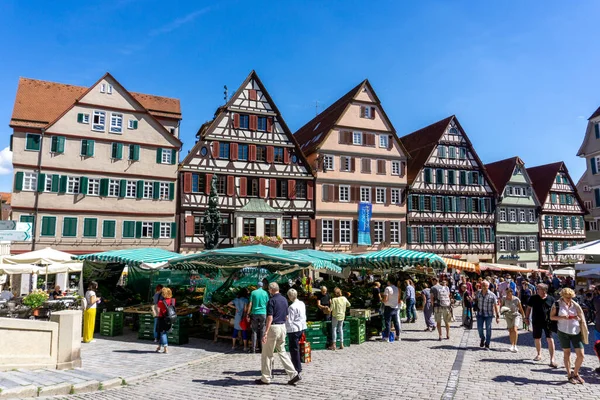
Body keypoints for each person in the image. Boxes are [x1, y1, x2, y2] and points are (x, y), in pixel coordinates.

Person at [255, 283, 300, 386]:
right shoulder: (284, 300)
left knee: (267, 354)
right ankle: (293, 374)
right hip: (282, 327)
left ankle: (265, 378)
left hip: (273, 328)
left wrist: (265, 332)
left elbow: (270, 317)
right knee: (282, 351)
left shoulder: (271, 301)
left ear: (271, 290)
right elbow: (286, 316)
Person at [550, 288, 587, 384]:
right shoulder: (557, 304)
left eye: (570, 297)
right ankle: (569, 375)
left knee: (581, 355)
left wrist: (577, 318)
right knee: (567, 353)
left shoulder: (576, 305)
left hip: (576, 331)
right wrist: (562, 317)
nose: (569, 299)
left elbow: (581, 317)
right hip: (563, 331)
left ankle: (576, 373)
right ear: (562, 296)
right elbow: (551, 317)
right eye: (567, 297)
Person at [526, 283, 557, 367]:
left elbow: (555, 310)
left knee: (550, 339)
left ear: (544, 290)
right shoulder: (533, 298)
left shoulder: (551, 299)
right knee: (537, 338)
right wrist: (526, 318)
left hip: (548, 322)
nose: (537, 289)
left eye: (538, 288)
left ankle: (552, 359)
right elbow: (528, 308)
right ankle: (539, 354)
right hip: (536, 321)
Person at [286, 288, 307, 377]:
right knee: (297, 348)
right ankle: (298, 365)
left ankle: (297, 367)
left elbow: (290, 320)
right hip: (301, 327)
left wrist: (285, 322)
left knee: (294, 349)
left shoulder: (291, 307)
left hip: (294, 329)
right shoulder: (302, 303)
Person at [475, 280, 500, 350]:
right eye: (482, 285)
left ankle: (487, 343)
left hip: (489, 315)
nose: (483, 287)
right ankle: (482, 338)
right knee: (479, 328)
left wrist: (497, 316)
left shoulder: (492, 295)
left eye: (485, 286)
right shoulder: (478, 293)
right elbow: (475, 300)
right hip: (480, 314)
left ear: (488, 286)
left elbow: (495, 305)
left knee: (488, 329)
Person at [246, 281, 269, 353]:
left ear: (257, 286)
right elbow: (267, 304)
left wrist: (248, 313)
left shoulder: (253, 293)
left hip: (254, 313)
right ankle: (262, 348)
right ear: (262, 286)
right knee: (262, 330)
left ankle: (253, 349)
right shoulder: (265, 293)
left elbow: (250, 304)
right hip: (263, 313)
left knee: (254, 331)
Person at [501, 288, 526, 352]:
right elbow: (501, 306)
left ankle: (515, 345)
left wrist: (524, 317)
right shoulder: (504, 298)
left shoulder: (516, 299)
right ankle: (512, 345)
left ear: (511, 292)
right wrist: (503, 311)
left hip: (515, 315)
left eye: (508, 293)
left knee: (514, 329)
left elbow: (520, 309)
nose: (507, 294)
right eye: (506, 293)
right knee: (510, 330)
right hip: (508, 316)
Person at [431, 277, 452, 341]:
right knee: (447, 321)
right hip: (445, 306)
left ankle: (440, 336)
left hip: (437, 306)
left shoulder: (433, 288)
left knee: (438, 322)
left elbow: (432, 298)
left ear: (434, 281)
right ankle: (448, 334)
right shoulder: (444, 287)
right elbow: (448, 296)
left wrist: (433, 306)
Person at [155, 287, 175, 354]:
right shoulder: (173, 300)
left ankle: (166, 348)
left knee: (162, 332)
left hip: (162, 318)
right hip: (170, 318)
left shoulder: (160, 302)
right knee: (163, 332)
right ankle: (159, 347)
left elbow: (157, 311)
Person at [381, 278, 401, 342]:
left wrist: (382, 300)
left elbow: (385, 299)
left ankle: (386, 337)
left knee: (387, 322)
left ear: (389, 282)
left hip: (388, 307)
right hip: (395, 307)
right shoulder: (398, 289)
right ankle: (398, 336)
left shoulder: (387, 288)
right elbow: (398, 299)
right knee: (396, 322)